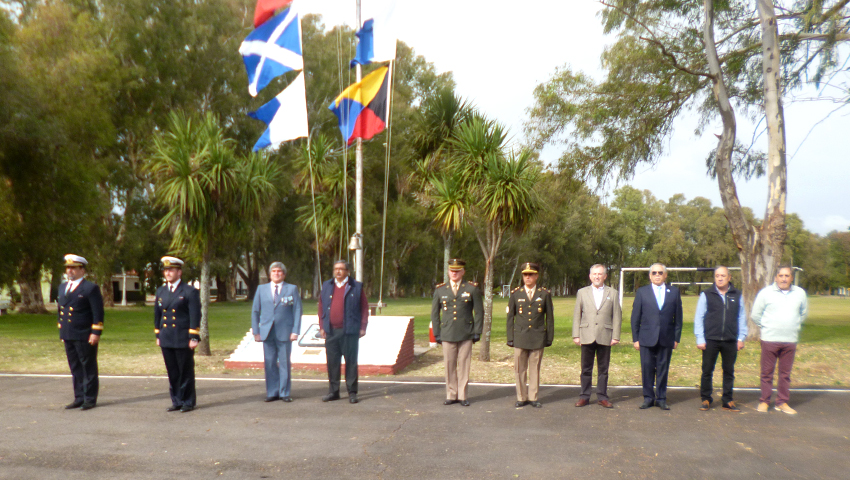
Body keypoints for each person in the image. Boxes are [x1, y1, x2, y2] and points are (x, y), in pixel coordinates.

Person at [752, 265, 808, 415]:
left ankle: (782, 402)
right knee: (766, 372)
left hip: (790, 340)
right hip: (770, 339)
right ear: (776, 277)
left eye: (787, 275)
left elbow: (803, 314)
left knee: (785, 374)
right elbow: (755, 315)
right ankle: (764, 401)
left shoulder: (800, 293)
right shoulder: (765, 293)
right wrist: (767, 327)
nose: (784, 278)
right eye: (781, 275)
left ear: (791, 277)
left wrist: (792, 326)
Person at [694, 266, 747, 412]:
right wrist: (700, 338)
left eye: (723, 275)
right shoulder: (707, 294)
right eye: (717, 275)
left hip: (730, 339)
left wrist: (741, 337)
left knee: (729, 371)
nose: (720, 278)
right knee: (707, 370)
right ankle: (705, 398)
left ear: (729, 277)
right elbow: (699, 317)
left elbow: (742, 317)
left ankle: (727, 399)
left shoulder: (737, 295)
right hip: (711, 339)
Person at [431, 258, 483, 407]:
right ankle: (451, 394)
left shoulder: (472, 289)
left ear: (463, 272)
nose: (454, 273)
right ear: (448, 272)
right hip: (447, 333)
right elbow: (435, 313)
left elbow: (479, 312)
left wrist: (477, 331)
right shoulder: (440, 290)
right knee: (449, 365)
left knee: (464, 364)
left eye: (457, 271)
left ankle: (462, 395)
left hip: (466, 332)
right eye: (452, 271)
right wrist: (437, 333)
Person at [631, 263, 683, 410]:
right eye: (654, 273)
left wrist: (676, 338)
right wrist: (636, 339)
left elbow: (678, 317)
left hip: (666, 337)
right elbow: (635, 317)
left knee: (663, 369)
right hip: (646, 338)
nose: (657, 275)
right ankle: (648, 398)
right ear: (650, 275)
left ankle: (661, 398)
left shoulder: (674, 292)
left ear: (665, 275)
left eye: (660, 272)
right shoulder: (642, 292)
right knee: (647, 369)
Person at [57, 254, 104, 411]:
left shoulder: (90, 288)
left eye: (73, 268)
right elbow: (61, 310)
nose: (69, 271)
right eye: (68, 268)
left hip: (84, 334)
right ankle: (78, 397)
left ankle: (89, 398)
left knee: (88, 366)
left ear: (82, 270)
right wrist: (62, 331)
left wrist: (95, 332)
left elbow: (97, 312)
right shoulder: (63, 287)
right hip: (69, 333)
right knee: (75, 366)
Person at [317, 260, 368, 404]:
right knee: (332, 363)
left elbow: (364, 308)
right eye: (335, 269)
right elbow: (321, 307)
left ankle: (352, 392)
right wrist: (322, 326)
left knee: (351, 362)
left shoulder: (356, 286)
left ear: (347, 271)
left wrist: (363, 326)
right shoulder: (327, 285)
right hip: (331, 332)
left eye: (341, 269)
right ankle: (333, 392)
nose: (338, 271)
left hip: (349, 331)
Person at [154, 256, 201, 413]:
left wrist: (194, 336)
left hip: (182, 337)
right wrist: (158, 334)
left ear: (179, 272)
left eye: (171, 270)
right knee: (172, 371)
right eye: (166, 270)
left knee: (185, 371)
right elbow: (157, 314)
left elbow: (195, 315)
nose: (168, 273)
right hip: (167, 336)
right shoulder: (161, 291)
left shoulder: (189, 291)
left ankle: (188, 401)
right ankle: (177, 400)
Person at [572, 264, 622, 408]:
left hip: (605, 335)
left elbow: (617, 316)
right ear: (590, 276)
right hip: (586, 334)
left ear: (605, 276)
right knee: (586, 369)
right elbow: (577, 314)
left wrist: (616, 335)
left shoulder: (612, 293)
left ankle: (602, 396)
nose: (597, 276)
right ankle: (584, 396)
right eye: (594, 274)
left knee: (603, 369)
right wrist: (576, 334)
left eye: (600, 274)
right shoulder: (582, 292)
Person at [252, 261, 302, 403]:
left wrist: (295, 331)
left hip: (285, 332)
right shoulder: (261, 289)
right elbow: (255, 311)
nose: (276, 273)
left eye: (279, 271)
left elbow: (297, 310)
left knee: (285, 362)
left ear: (284, 274)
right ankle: (272, 392)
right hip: (267, 331)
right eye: (273, 271)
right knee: (269, 362)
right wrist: (256, 331)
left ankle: (284, 392)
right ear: (269, 274)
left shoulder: (291, 289)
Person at [506, 262, 554, 408]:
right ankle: (521, 397)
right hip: (520, 337)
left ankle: (533, 397)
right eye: (525, 275)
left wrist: (549, 337)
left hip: (537, 337)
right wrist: (510, 338)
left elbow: (550, 318)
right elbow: (510, 317)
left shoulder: (544, 294)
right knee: (520, 369)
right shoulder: (516, 294)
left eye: (531, 274)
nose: (528, 277)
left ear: (536, 276)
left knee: (535, 369)